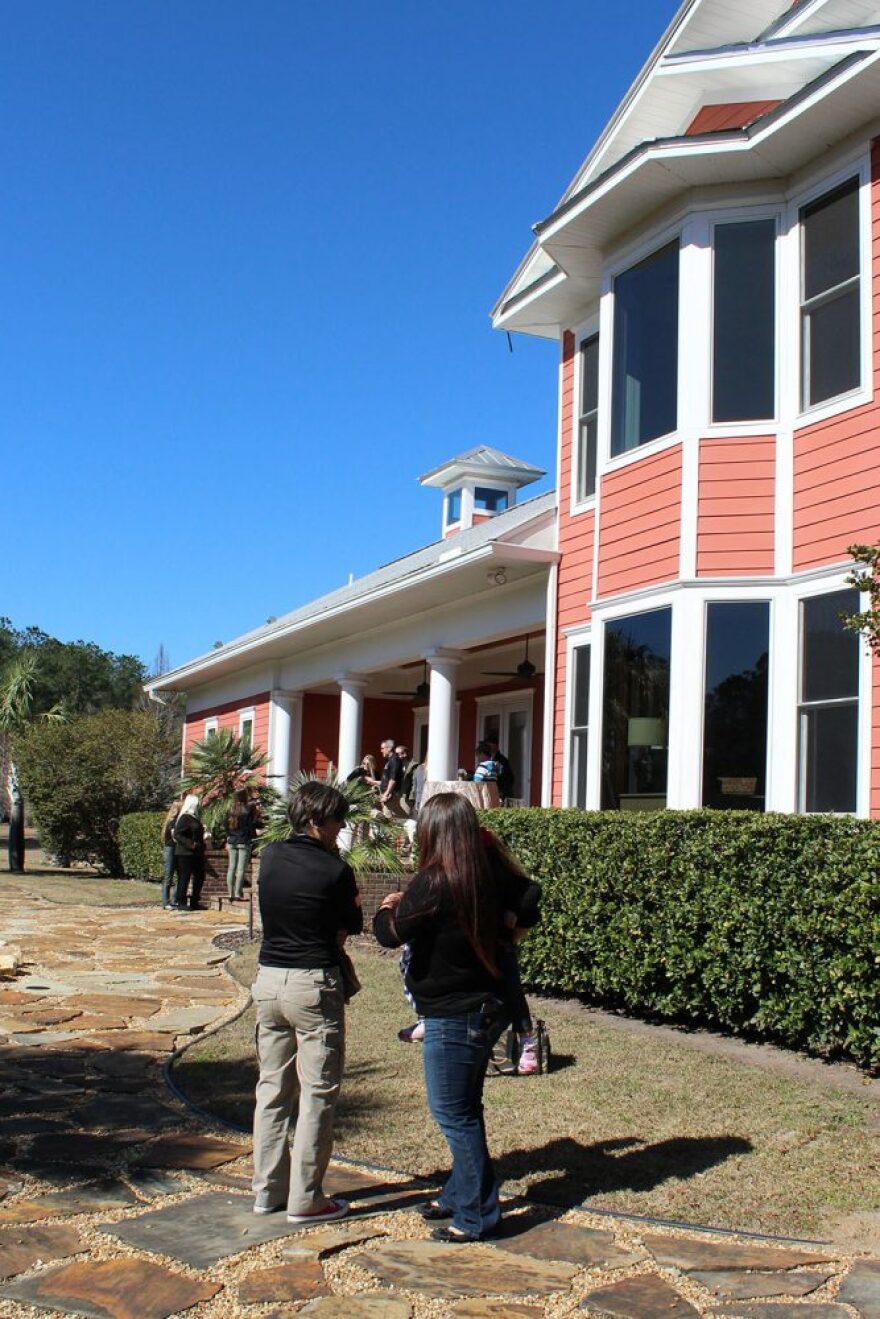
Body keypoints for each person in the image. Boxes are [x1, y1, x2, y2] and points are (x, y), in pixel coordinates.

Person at [374, 793, 540, 1242]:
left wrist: (389, 904)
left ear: (432, 832)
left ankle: (477, 1215)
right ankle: (457, 1191)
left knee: (453, 1113)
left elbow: (390, 935)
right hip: (488, 1005)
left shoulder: (434, 881)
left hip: (455, 1013)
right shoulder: (487, 868)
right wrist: (513, 921)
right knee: (465, 1106)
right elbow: (531, 892)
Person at [251, 780, 363, 1224]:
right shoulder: (335, 870)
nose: (341, 828)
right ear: (317, 819)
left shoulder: (271, 856)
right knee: (317, 1093)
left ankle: (266, 1191)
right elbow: (349, 923)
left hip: (268, 980)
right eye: (337, 819)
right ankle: (306, 1198)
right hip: (313, 983)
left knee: (272, 1090)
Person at [173, 794, 205, 911]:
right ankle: (181, 901)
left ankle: (194, 900)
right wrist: (190, 843)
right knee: (184, 877)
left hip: (196, 853)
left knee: (200, 876)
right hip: (184, 853)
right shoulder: (185, 818)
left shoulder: (195, 817)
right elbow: (177, 834)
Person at [226, 788, 259, 902]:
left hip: (232, 841)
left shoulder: (230, 811)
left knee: (231, 868)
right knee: (240, 870)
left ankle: (230, 893)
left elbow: (226, 826)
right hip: (244, 841)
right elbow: (251, 826)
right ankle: (238, 893)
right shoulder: (247, 810)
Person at [160, 797, 182, 909]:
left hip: (174, 849)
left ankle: (174, 899)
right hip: (170, 849)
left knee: (179, 875)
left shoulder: (175, 821)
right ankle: (166, 901)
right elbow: (174, 837)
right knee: (169, 875)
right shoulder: (173, 822)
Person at [377, 738, 405, 818]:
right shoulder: (389, 760)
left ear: (389, 748)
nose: (381, 751)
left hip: (390, 796)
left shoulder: (394, 760)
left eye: (382, 748)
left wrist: (386, 793)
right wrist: (373, 781)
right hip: (387, 794)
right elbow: (386, 779)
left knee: (389, 819)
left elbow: (393, 779)